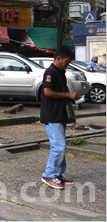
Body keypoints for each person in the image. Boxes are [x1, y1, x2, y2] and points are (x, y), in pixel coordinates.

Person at [40, 46, 80, 190]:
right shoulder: (50, 72)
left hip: (59, 113)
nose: (67, 64)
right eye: (67, 61)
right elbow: (47, 92)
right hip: (52, 114)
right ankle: (49, 175)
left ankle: (58, 174)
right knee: (59, 146)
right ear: (58, 58)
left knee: (60, 146)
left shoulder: (60, 72)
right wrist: (68, 95)